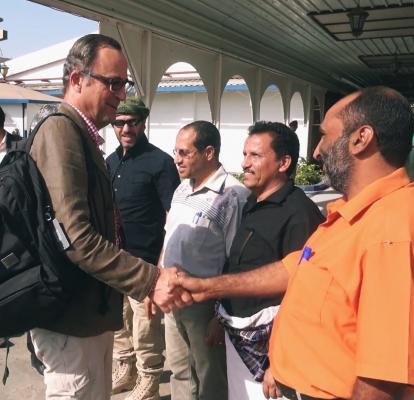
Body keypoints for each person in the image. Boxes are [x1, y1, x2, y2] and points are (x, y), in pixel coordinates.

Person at [177, 86, 414, 400]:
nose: (318, 150)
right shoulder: (354, 216)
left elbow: (382, 382)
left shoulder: (394, 237)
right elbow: (293, 268)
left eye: (326, 136)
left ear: (361, 139)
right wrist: (208, 287)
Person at [27, 33, 188, 399]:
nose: (119, 94)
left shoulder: (86, 137)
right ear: (76, 80)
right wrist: (151, 280)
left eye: (124, 83)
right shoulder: (60, 130)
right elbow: (76, 237)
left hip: (90, 310)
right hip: (70, 315)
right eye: (112, 83)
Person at [216, 121, 323, 400]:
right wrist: (220, 316)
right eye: (244, 154)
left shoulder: (299, 214)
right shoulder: (253, 202)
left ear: (283, 162)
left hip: (270, 354)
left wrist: (279, 363)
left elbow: (303, 296)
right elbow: (240, 265)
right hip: (239, 338)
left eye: (255, 156)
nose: (245, 163)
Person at [157, 120, 249, 400]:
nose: (177, 159)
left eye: (185, 152)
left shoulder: (232, 195)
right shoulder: (182, 189)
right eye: (176, 151)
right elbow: (168, 237)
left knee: (210, 376)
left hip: (204, 305)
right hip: (172, 298)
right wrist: (157, 280)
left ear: (209, 153)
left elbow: (236, 259)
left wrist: (220, 317)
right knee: (180, 371)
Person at [106, 97, 179, 400]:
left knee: (145, 323)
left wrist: (161, 262)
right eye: (119, 123)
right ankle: (127, 367)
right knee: (119, 320)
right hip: (113, 258)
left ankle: (149, 377)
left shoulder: (160, 163)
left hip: (145, 260)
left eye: (131, 122)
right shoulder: (110, 162)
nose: (125, 128)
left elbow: (173, 215)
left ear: (142, 123)